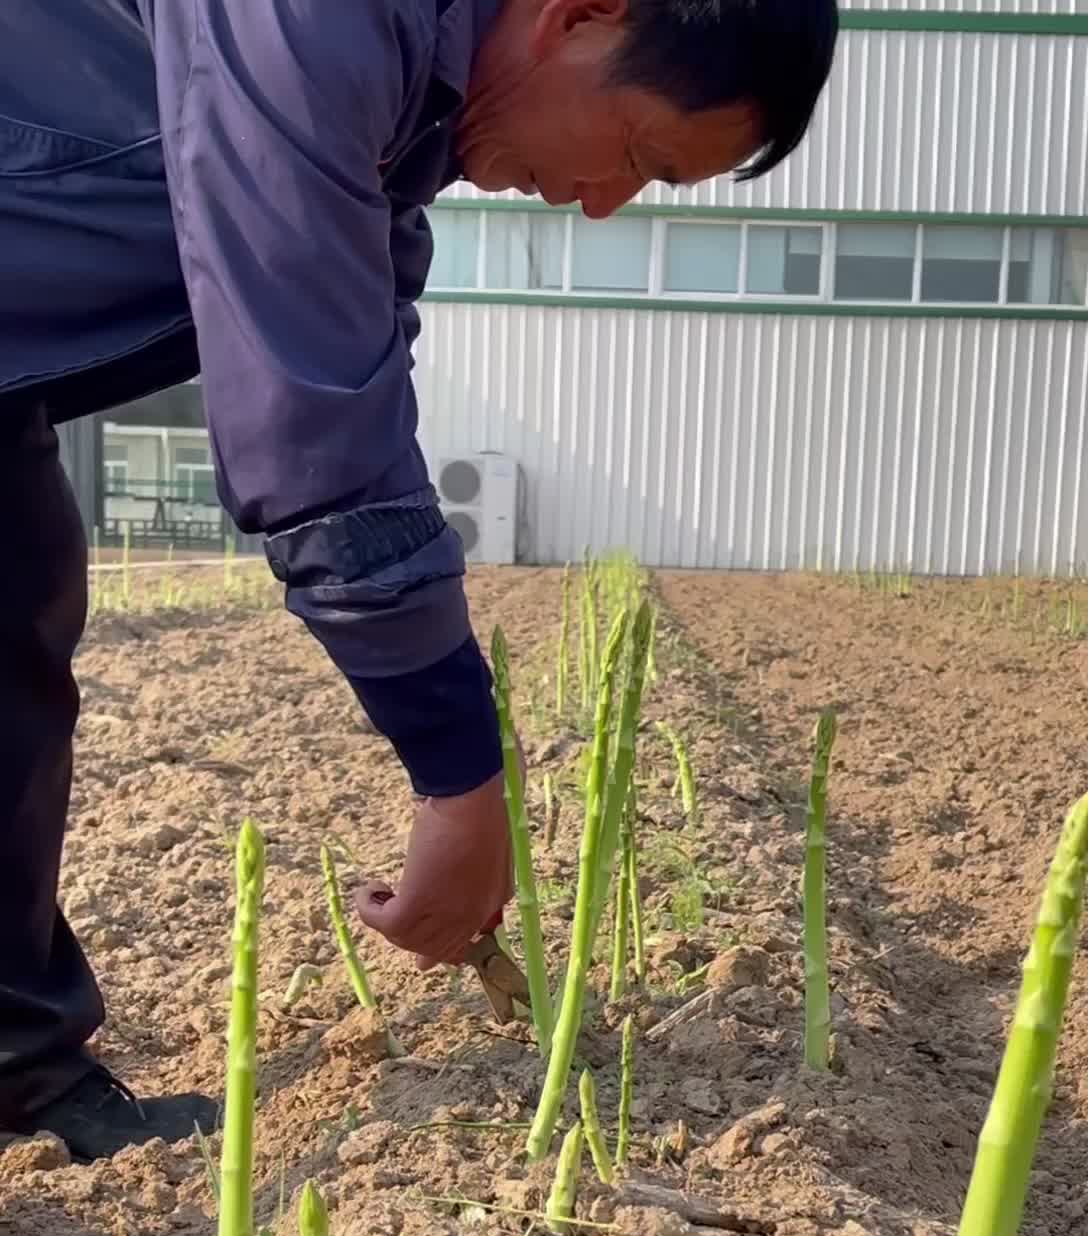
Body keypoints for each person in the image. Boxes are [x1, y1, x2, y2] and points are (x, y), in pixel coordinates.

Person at [0, 0, 838, 1167]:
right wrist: (459, 779)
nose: (601, 202)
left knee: (17, 612)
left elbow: (364, 378)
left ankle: (18, 1075)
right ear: (579, 15)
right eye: (638, 155)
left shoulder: (407, 120)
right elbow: (316, 431)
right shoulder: (321, 22)